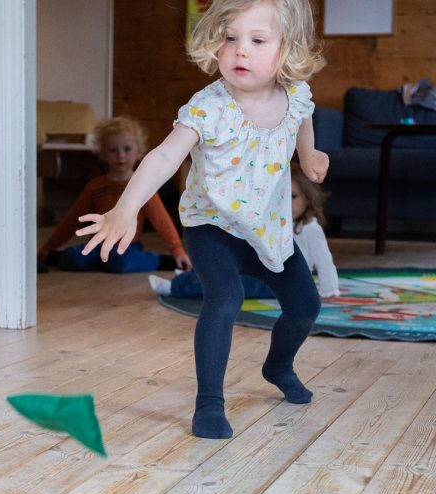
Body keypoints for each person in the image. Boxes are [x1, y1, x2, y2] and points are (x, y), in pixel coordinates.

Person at [76, 0, 327, 438]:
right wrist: (126, 207)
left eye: (257, 40)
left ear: (288, 50)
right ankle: (209, 403)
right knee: (225, 299)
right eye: (231, 38)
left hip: (266, 228)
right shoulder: (208, 107)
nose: (240, 51)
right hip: (210, 224)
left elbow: (303, 120)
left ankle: (278, 366)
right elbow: (162, 158)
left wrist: (308, 154)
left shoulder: (296, 94)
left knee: (306, 306)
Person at [150, 162, 339, 299]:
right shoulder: (271, 220)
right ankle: (189, 278)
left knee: (232, 287)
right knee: (226, 273)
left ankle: (176, 287)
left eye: (293, 197)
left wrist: (329, 290)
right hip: (263, 272)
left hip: (285, 283)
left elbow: (324, 260)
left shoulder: (309, 227)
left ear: (308, 198)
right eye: (279, 196)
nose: (285, 203)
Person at [37, 116, 191, 273]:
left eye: (127, 149)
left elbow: (162, 221)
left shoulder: (144, 187)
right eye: (113, 150)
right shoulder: (95, 186)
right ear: (103, 153)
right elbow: (72, 220)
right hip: (98, 244)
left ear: (139, 150)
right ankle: (56, 257)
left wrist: (177, 250)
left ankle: (164, 262)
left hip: (127, 246)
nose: (121, 155)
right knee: (75, 258)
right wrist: (49, 246)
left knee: (120, 262)